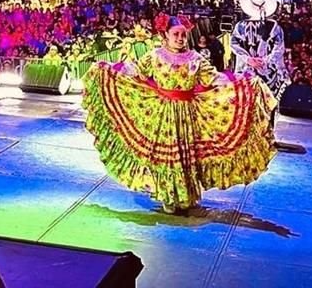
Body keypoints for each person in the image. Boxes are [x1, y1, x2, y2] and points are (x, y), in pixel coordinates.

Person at [82, 14, 277, 214]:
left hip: (188, 114)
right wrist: (111, 68)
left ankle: (185, 196)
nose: (180, 38)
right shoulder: (155, 55)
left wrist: (241, 80)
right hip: (162, 111)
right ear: (165, 35)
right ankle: (167, 195)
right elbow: (136, 70)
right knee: (167, 156)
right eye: (176, 34)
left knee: (186, 156)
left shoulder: (196, 58)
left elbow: (214, 78)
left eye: (183, 34)